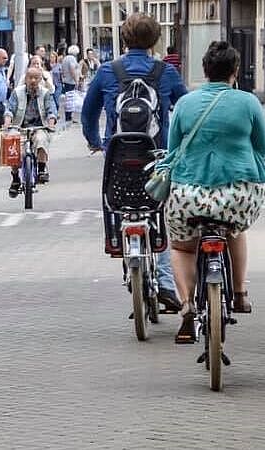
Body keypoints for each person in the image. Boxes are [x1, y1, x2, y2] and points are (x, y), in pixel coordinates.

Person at [82, 12, 189, 313]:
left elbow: (88, 114)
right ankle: (166, 282)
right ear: (156, 40)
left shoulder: (107, 71)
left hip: (118, 155)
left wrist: (95, 141)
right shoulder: (165, 72)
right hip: (158, 155)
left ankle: (118, 243)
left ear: (124, 39)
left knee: (118, 202)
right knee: (163, 214)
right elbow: (187, 108)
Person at [160, 42, 265, 342]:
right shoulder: (248, 103)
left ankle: (187, 304)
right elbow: (262, 147)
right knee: (234, 230)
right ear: (235, 72)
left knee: (181, 247)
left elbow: (172, 151)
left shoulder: (185, 104)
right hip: (237, 196)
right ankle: (240, 293)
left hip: (189, 196)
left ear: (204, 71)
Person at [4, 67, 57, 195]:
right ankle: (15, 178)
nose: (33, 80)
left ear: (40, 80)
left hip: (40, 127)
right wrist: (7, 123)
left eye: (36, 78)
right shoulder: (17, 92)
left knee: (41, 139)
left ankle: (42, 169)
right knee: (13, 146)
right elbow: (10, 109)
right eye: (30, 77)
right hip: (19, 127)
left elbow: (51, 110)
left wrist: (51, 123)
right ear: (25, 79)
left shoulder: (46, 94)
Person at [61, 45, 81, 122]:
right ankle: (69, 116)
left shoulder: (65, 58)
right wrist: (76, 80)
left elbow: (62, 70)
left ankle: (68, 115)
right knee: (71, 98)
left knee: (68, 98)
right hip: (70, 81)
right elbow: (72, 69)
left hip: (66, 80)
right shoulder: (72, 59)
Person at [50, 52, 64, 118]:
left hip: (58, 84)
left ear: (56, 58)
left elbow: (62, 74)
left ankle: (56, 112)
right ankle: (54, 113)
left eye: (53, 57)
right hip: (50, 85)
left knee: (56, 98)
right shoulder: (47, 65)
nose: (52, 58)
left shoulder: (59, 65)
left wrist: (63, 82)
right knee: (52, 100)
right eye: (51, 57)